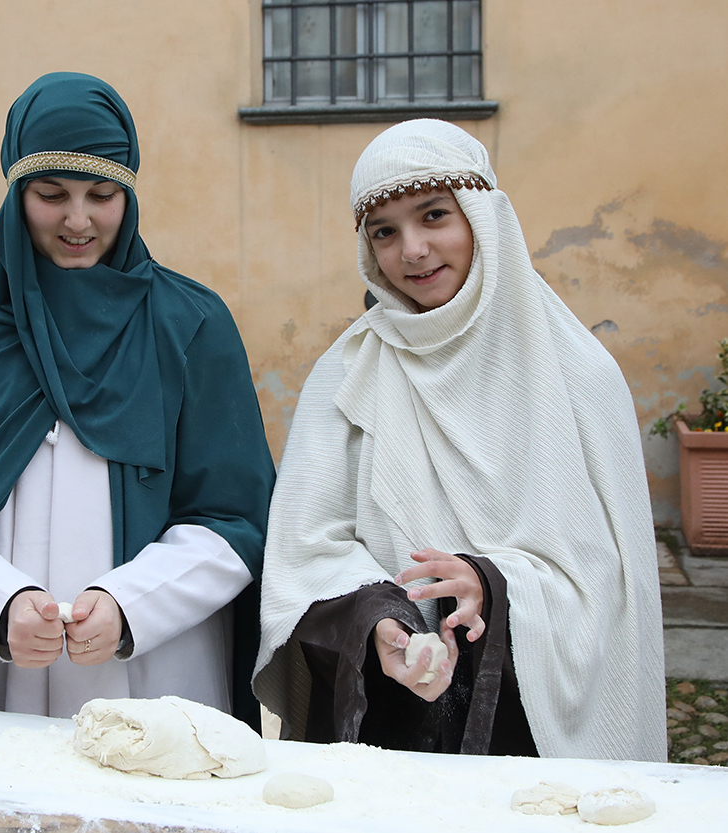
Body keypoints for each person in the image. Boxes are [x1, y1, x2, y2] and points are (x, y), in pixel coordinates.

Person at [0, 73, 275, 727]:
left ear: (128, 195)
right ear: (16, 193)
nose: (78, 220)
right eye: (51, 194)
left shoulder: (189, 323)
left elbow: (236, 519)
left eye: (101, 194)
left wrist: (132, 603)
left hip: (159, 684)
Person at [253, 119, 666, 760]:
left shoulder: (579, 375)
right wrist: (379, 620)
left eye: (434, 216)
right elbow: (304, 549)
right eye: (384, 231)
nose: (411, 250)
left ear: (484, 218)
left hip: (530, 726)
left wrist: (492, 586)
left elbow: (614, 583)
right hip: (391, 714)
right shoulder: (346, 372)